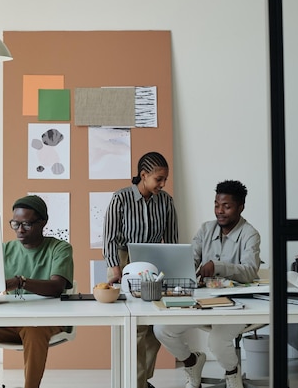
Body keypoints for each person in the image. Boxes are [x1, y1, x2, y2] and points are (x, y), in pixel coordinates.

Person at [153, 180, 261, 388]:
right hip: (203, 301)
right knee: (161, 329)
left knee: (217, 341)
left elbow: (250, 271)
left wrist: (218, 266)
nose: (220, 211)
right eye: (216, 205)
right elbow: (189, 261)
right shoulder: (205, 229)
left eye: (227, 206)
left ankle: (232, 372)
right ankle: (192, 362)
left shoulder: (250, 234)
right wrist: (182, 269)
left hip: (236, 305)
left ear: (240, 207)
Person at [0, 195, 74, 388]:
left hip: (46, 322)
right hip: (11, 322)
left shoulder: (59, 248)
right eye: (15, 224)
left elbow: (56, 287)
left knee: (33, 328)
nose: (20, 230)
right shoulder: (5, 249)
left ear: (43, 222)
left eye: (27, 224)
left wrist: (20, 282)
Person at [102, 151, 178, 388]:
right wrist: (115, 269)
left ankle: (141, 381)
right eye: (159, 179)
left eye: (165, 179)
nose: (163, 184)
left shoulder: (166, 201)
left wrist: (175, 269)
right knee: (132, 326)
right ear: (143, 175)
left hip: (154, 264)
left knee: (153, 327)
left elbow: (172, 240)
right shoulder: (120, 199)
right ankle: (134, 382)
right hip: (123, 262)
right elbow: (110, 238)